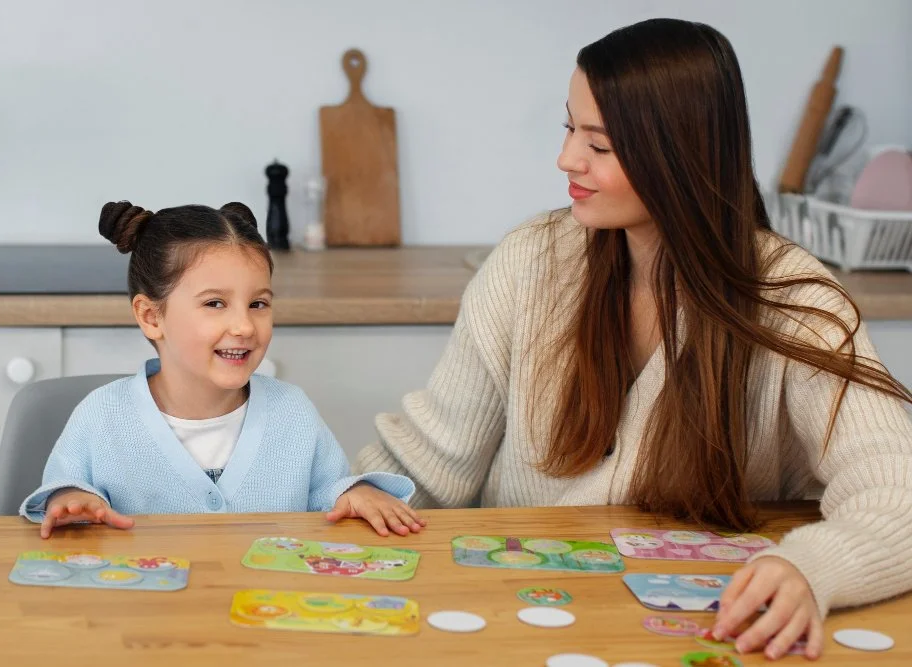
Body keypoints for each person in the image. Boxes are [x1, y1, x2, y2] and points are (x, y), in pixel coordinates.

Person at [355, 18, 912, 661]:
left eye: (602, 144)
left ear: (678, 155)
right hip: (526, 613)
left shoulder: (793, 300)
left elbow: (895, 492)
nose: (567, 159)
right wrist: (361, 490)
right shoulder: (529, 262)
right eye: (569, 128)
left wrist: (813, 568)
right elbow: (431, 456)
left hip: (706, 627)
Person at [21, 201, 425, 540]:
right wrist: (72, 501)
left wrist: (354, 493)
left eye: (259, 304)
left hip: (265, 616)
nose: (245, 327)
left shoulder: (293, 411)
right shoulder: (101, 416)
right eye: (215, 303)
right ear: (150, 316)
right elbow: (62, 494)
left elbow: (329, 494)